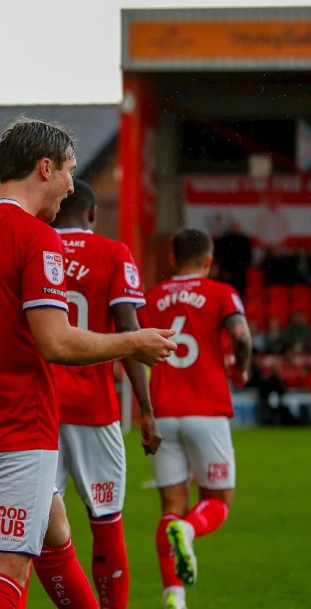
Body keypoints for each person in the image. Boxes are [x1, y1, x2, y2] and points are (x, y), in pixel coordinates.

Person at [0, 117, 177, 609]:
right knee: (4, 570)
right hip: (17, 428)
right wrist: (133, 342)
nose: (69, 186)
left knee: (54, 536)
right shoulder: (38, 238)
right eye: (68, 170)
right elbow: (57, 344)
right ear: (45, 168)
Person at [49, 179, 160, 609]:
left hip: (38, 409)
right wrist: (146, 412)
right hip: (94, 410)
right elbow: (130, 333)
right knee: (106, 522)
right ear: (92, 214)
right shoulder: (112, 253)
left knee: (33, 528)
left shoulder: (33, 247)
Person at [142, 228, 252, 609]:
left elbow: (133, 345)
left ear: (172, 260)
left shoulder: (152, 298)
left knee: (170, 507)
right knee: (219, 501)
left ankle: (174, 596)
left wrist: (143, 409)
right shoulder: (221, 292)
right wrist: (241, 368)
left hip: (163, 413)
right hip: (206, 411)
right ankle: (187, 531)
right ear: (209, 261)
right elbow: (241, 335)